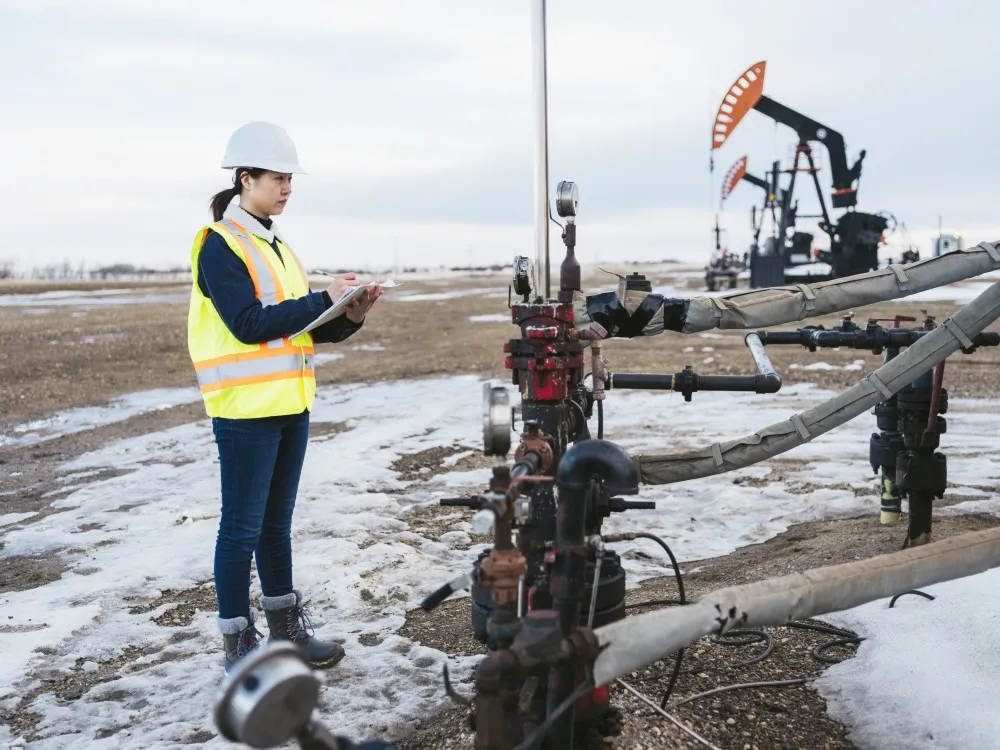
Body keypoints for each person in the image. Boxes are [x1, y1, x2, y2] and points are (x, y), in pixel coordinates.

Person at [186, 121, 382, 673]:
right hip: (246, 412)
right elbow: (249, 325)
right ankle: (240, 651)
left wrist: (348, 315)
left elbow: (299, 326)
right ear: (245, 180)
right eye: (278, 178)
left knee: (275, 527)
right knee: (241, 529)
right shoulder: (219, 246)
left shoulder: (276, 246)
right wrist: (324, 295)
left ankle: (287, 631)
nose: (287, 188)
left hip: (290, 404)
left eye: (290, 179)